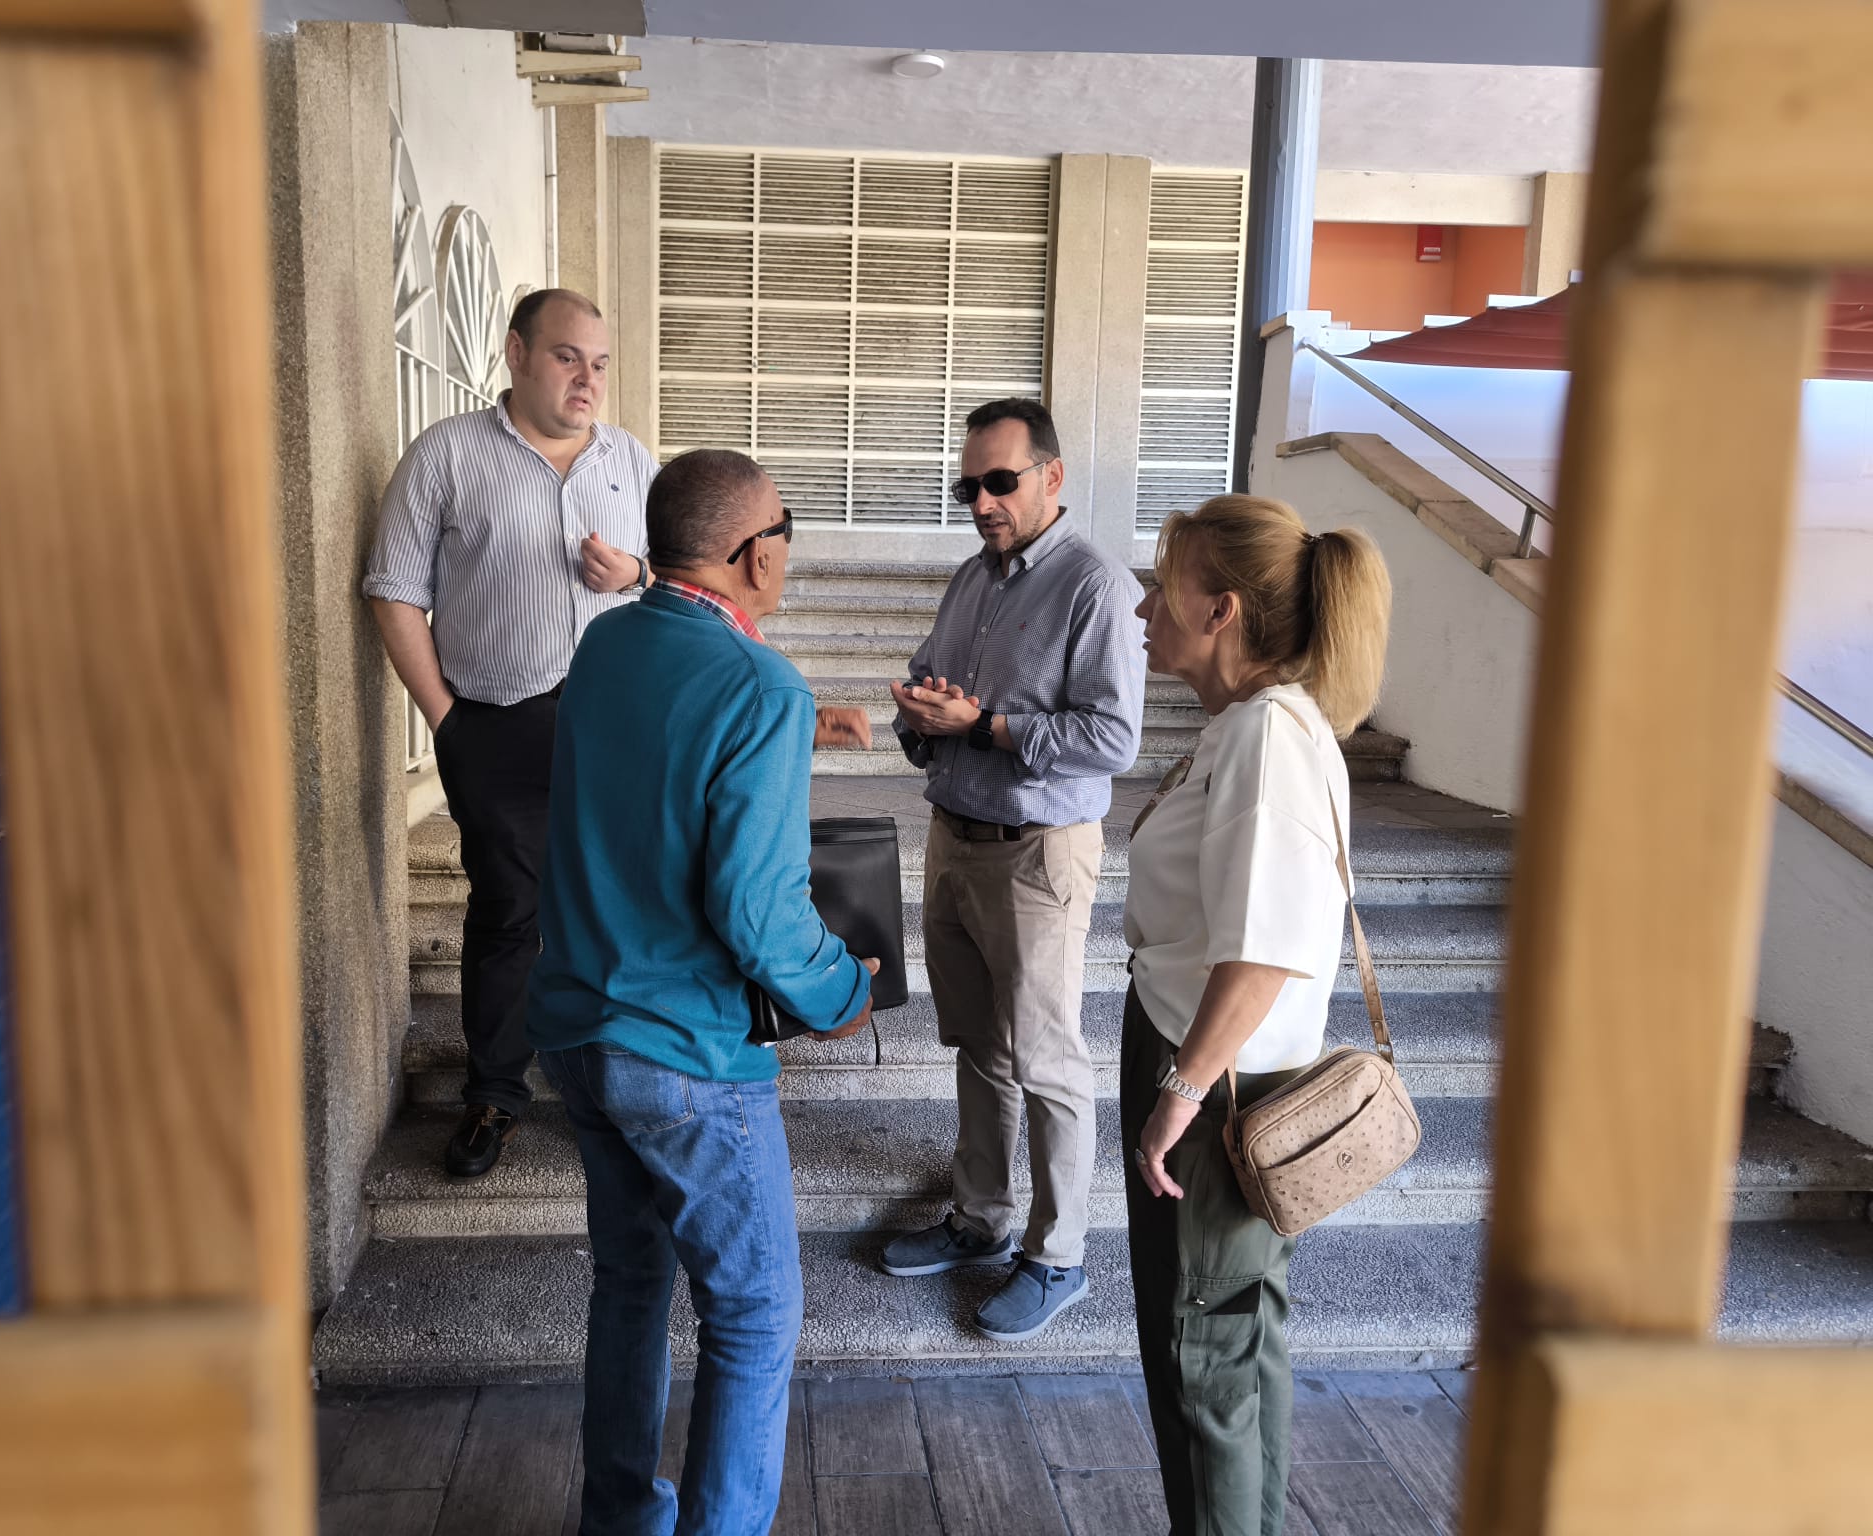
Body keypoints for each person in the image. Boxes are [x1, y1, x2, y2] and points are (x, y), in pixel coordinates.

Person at [364, 290, 869, 1178]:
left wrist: (632, 570)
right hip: (500, 724)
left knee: (624, 895)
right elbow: (394, 588)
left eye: (599, 363)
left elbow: (684, 581)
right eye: (567, 357)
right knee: (509, 911)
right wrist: (449, 719)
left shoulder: (630, 460)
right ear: (516, 353)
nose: (586, 378)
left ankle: (606, 1071)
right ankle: (495, 1091)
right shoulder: (447, 455)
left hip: (623, 727)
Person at [527, 448, 878, 1536]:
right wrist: (840, 991)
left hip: (578, 1026)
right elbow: (757, 911)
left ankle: (621, 1517)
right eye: (785, 530)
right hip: (685, 1055)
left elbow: (647, 778)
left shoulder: (606, 643)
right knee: (754, 1315)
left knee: (630, 1287)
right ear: (753, 554)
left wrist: (797, 720)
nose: (788, 550)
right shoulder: (758, 684)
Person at [1121, 495, 1391, 1534]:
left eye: (1163, 588)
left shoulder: (1267, 738)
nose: (1144, 608)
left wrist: (1175, 1095)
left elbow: (1264, 954)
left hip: (1217, 1084)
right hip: (1218, 1070)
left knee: (1205, 1364)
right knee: (1234, 1345)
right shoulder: (1256, 727)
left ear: (1220, 609)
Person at [878, 397, 1146, 1344]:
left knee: (1046, 1057)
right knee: (980, 1045)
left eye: (1000, 482)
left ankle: (1059, 1254)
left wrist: (986, 726)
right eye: (969, 487)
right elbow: (930, 683)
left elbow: (1113, 739)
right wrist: (919, 711)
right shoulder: (972, 579)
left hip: (1037, 852)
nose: (983, 503)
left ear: (1052, 476)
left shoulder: (1095, 586)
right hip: (954, 836)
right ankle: (981, 1218)